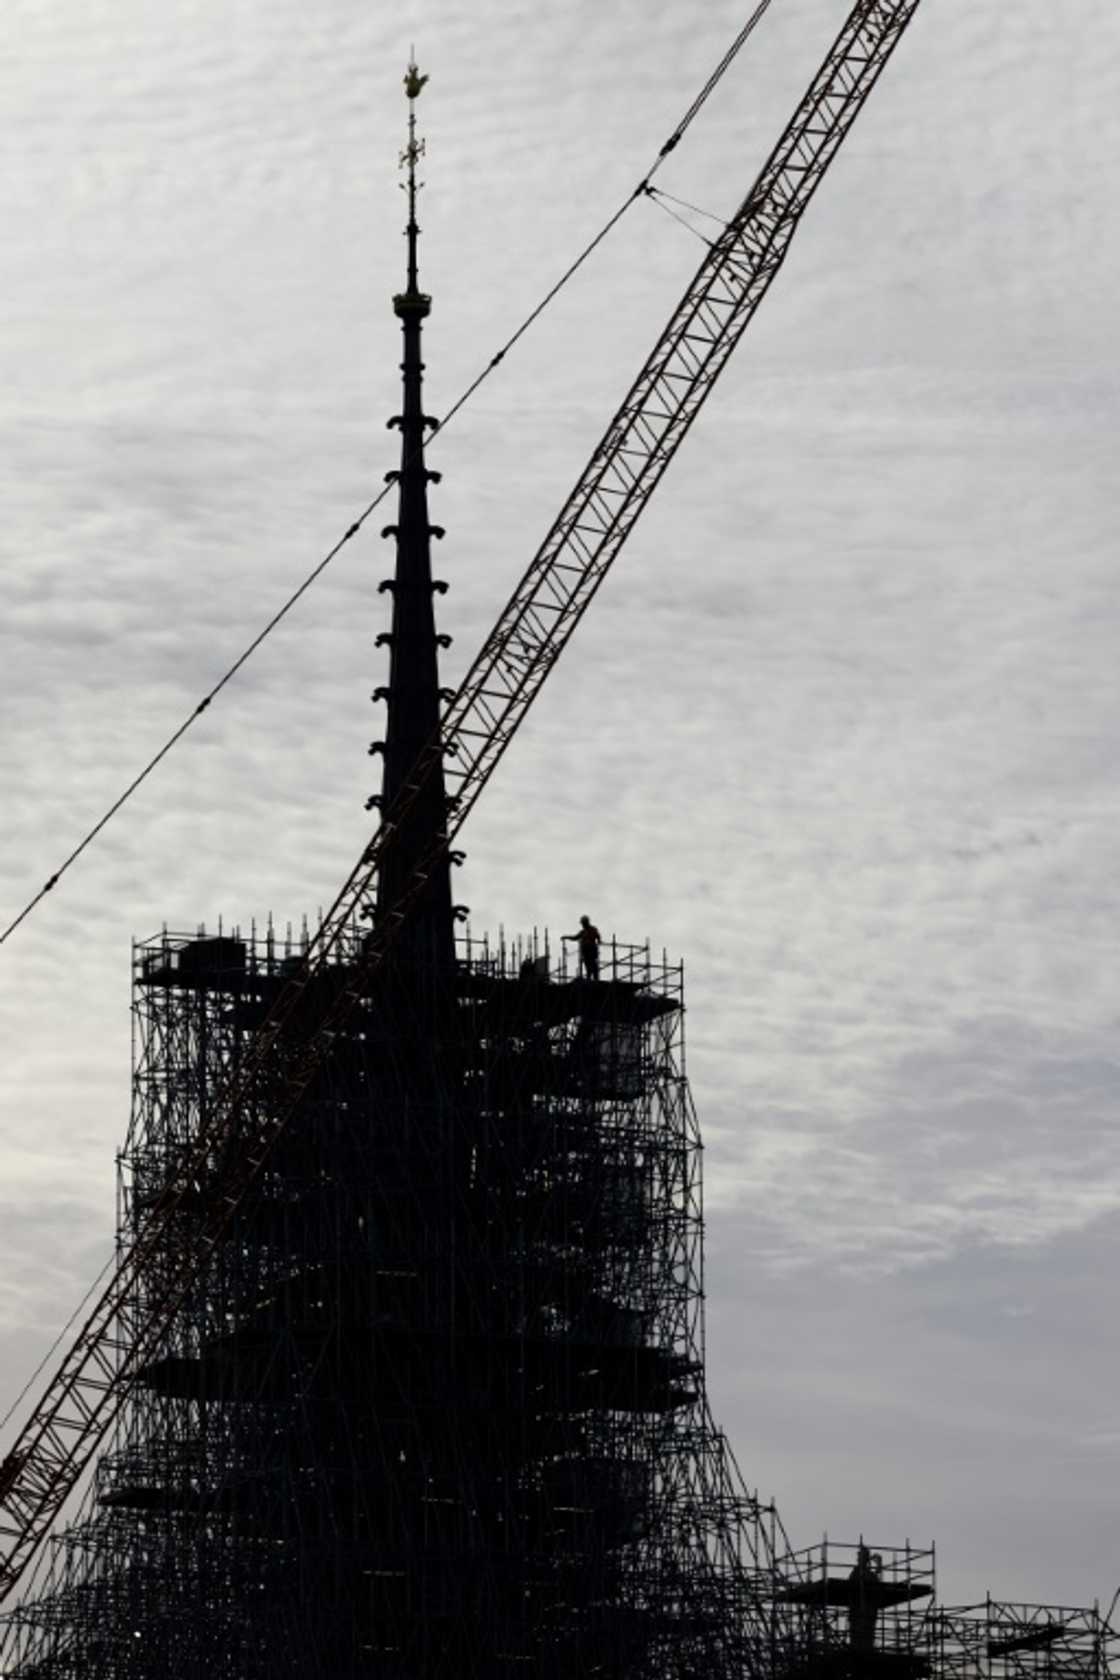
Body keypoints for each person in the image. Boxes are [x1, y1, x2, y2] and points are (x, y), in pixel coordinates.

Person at [562, 915, 601, 980]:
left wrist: (599, 941)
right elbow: (575, 937)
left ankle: (595, 980)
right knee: (588, 966)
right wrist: (566, 937)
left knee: (593, 965)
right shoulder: (583, 932)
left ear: (586, 922)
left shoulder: (593, 929)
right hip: (586, 952)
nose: (582, 925)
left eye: (583, 923)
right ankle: (589, 979)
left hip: (591, 951)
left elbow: (598, 936)